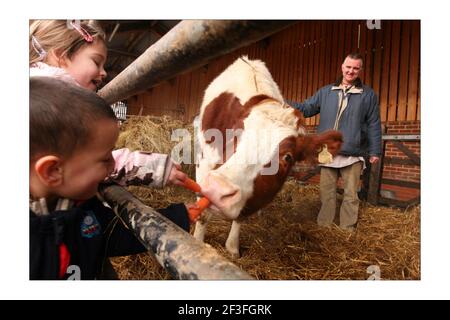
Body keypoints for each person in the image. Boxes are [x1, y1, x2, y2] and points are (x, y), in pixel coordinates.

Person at [29, 19, 188, 189]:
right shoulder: (51, 103)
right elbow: (87, 163)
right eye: (96, 62)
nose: (104, 72)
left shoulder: (44, 95)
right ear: (61, 56)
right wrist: (153, 168)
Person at [289, 52, 381, 232]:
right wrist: (283, 102)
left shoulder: (368, 95)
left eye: (355, 68)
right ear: (342, 67)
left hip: (353, 153)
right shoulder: (326, 92)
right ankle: (324, 227)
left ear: (360, 70)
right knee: (326, 192)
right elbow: (306, 109)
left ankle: (346, 230)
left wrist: (375, 151)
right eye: (348, 67)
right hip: (327, 151)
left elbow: (373, 124)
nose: (351, 71)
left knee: (350, 195)